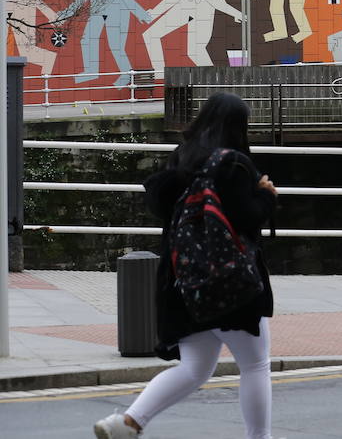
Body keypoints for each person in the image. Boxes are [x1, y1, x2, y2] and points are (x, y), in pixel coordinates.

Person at [94, 92, 277, 439]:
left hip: (185, 284)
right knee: (255, 363)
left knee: (194, 368)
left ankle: (128, 423)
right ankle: (260, 437)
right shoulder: (232, 164)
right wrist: (266, 194)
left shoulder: (180, 161)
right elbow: (247, 216)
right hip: (228, 284)